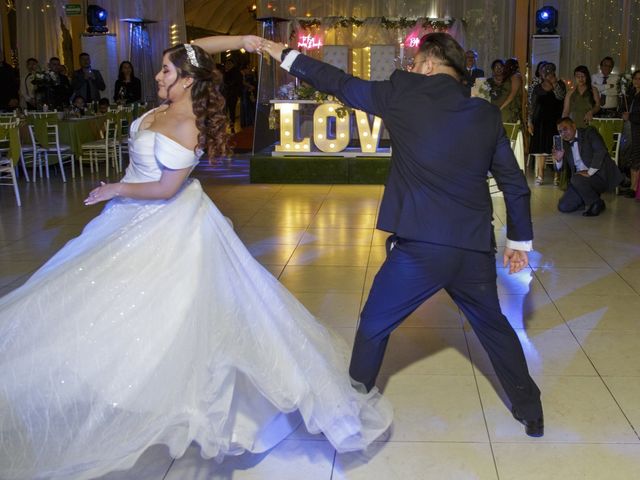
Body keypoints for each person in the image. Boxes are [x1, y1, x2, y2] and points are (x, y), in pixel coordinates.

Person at [0, 36, 391, 480]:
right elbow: (192, 50)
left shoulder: (187, 125)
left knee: (175, 311)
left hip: (167, 223)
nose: (158, 75)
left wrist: (117, 188)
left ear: (186, 82)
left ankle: (160, 393)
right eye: (162, 70)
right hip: (127, 221)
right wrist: (243, 40)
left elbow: (166, 189)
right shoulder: (163, 105)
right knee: (95, 296)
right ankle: (119, 383)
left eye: (167, 72)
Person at [262, 33, 544, 437]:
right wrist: (519, 242)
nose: (410, 68)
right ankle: (530, 412)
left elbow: (338, 83)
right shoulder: (484, 113)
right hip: (471, 249)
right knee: (495, 328)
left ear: (429, 63)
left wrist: (286, 56)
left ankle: (351, 411)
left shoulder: (403, 92)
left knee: (374, 326)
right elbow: (515, 184)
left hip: (420, 251)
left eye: (414, 62)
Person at [553, 117, 624, 216]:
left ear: (573, 125)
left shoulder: (589, 132)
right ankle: (592, 198)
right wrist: (558, 159)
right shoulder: (564, 144)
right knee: (564, 206)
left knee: (576, 179)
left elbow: (600, 151)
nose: (563, 133)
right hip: (580, 181)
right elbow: (560, 169)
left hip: (599, 175)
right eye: (560, 131)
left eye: (565, 129)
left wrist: (589, 172)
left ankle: (595, 203)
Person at [529, 62, 566, 185]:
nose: (547, 74)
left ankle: (557, 176)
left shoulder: (560, 84)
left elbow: (561, 97)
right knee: (541, 150)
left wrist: (554, 83)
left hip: (556, 122)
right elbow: (532, 106)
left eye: (550, 71)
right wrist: (530, 121)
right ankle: (540, 175)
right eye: (545, 72)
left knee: (557, 149)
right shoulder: (537, 87)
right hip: (540, 122)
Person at [621, 70, 640, 198]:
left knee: (637, 158)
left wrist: (630, 116)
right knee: (632, 156)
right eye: (636, 78)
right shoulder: (633, 94)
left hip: (638, 130)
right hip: (631, 129)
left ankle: (634, 188)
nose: (637, 81)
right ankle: (632, 186)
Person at [222, 58, 243, 132]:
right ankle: (229, 125)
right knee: (227, 110)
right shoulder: (225, 72)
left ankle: (231, 125)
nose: (227, 65)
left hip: (231, 94)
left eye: (228, 64)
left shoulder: (234, 73)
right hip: (227, 94)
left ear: (232, 65)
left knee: (230, 110)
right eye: (226, 64)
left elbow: (233, 83)